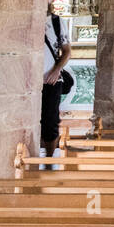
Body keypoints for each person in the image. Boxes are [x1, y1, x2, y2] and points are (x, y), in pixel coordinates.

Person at [41, 10, 72, 160]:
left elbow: (66, 51)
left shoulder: (56, 22)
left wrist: (56, 70)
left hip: (51, 80)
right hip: (26, 80)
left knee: (50, 120)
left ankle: (48, 158)